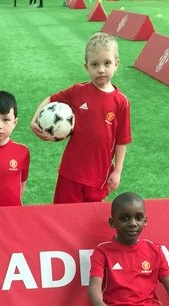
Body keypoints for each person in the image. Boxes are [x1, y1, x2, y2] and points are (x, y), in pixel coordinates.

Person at [30, 33, 131, 204]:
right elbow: (51, 99)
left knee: (87, 219)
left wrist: (118, 171)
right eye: (94, 64)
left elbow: (122, 140)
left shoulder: (121, 102)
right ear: (86, 67)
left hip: (99, 175)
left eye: (107, 63)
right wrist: (34, 120)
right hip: (70, 172)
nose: (101, 69)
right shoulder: (78, 91)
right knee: (63, 217)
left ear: (116, 64)